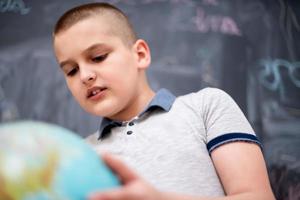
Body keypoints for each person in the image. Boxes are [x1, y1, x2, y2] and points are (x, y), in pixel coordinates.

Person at [53, 2, 275, 200]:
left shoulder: (206, 107)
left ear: (140, 55)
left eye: (98, 57)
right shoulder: (78, 156)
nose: (85, 76)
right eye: (71, 71)